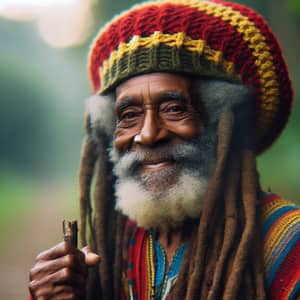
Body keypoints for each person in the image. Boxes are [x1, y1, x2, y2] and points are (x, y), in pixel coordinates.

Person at [28, 0, 299, 299]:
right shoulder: (118, 249)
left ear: (224, 123)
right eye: (128, 115)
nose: (147, 135)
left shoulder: (290, 247)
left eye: (174, 109)